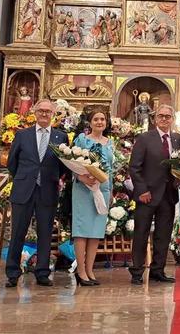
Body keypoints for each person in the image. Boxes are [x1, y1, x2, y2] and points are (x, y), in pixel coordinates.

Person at [5, 99, 68, 288]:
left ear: (53, 114)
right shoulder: (22, 135)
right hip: (24, 189)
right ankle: (13, 272)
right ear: (34, 112)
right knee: (17, 232)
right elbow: (12, 163)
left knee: (45, 233)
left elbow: (63, 166)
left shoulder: (60, 137)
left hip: (47, 190)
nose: (44, 114)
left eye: (48, 112)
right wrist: (26, 178)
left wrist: (50, 178)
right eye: (41, 110)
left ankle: (42, 272)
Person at [128, 104, 180, 285]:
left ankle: (157, 270)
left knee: (163, 234)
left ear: (172, 119)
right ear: (154, 118)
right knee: (141, 233)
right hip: (147, 195)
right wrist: (142, 190)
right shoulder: (144, 138)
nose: (164, 119)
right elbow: (134, 167)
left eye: (168, 116)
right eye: (161, 116)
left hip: (168, 195)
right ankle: (137, 271)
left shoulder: (178, 139)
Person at [71, 109, 115, 287]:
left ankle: (89, 270)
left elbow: (111, 168)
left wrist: (110, 190)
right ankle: (80, 270)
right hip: (84, 188)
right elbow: (72, 162)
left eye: (102, 119)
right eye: (96, 119)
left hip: (102, 189)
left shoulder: (109, 142)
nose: (99, 122)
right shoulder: (82, 139)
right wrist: (81, 176)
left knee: (96, 231)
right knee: (82, 230)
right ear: (89, 122)